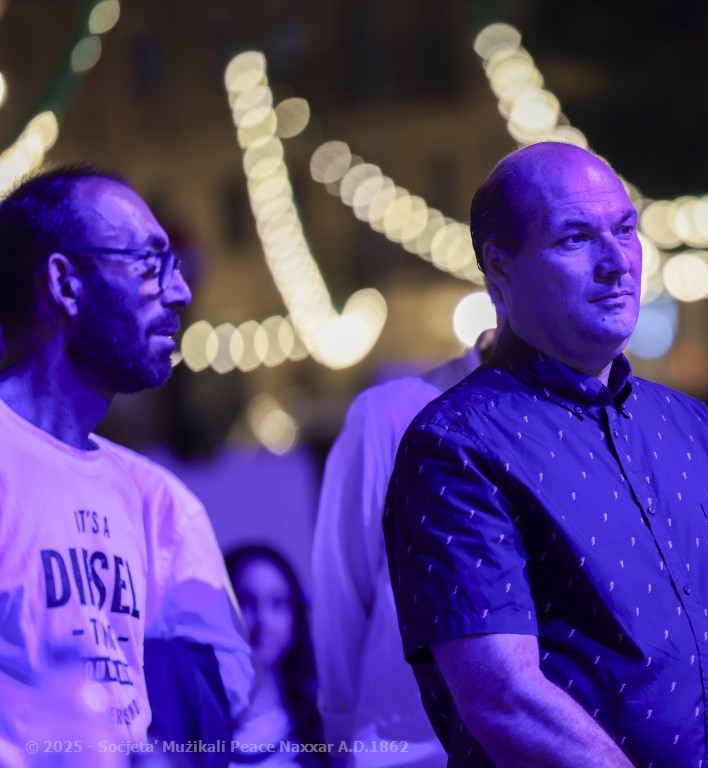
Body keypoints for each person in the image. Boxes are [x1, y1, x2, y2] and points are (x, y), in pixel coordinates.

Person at [383, 142, 708, 768]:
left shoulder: (688, 425)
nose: (617, 262)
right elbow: (504, 698)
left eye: (626, 230)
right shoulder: (455, 445)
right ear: (499, 265)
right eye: (576, 238)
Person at [0, 164, 253, 760]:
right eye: (148, 264)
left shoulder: (150, 497)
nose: (180, 291)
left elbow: (224, 695)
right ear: (65, 284)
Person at [313, 327, 500, 767]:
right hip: (410, 753)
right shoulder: (392, 414)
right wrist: (342, 743)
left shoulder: (608, 421)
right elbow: (341, 596)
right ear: (498, 289)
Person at [226, 545, 326, 766]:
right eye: (246, 602)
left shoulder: (322, 721)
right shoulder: (190, 728)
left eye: (278, 603)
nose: (264, 620)